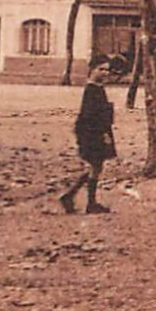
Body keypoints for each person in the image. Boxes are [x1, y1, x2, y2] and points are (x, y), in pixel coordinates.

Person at [59, 59, 116, 215]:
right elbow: (91, 115)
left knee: (95, 167)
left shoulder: (98, 88)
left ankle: (74, 197)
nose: (105, 73)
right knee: (94, 166)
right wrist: (103, 134)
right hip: (92, 133)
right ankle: (82, 200)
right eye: (101, 69)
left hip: (94, 132)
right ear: (92, 70)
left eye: (107, 70)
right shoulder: (92, 90)